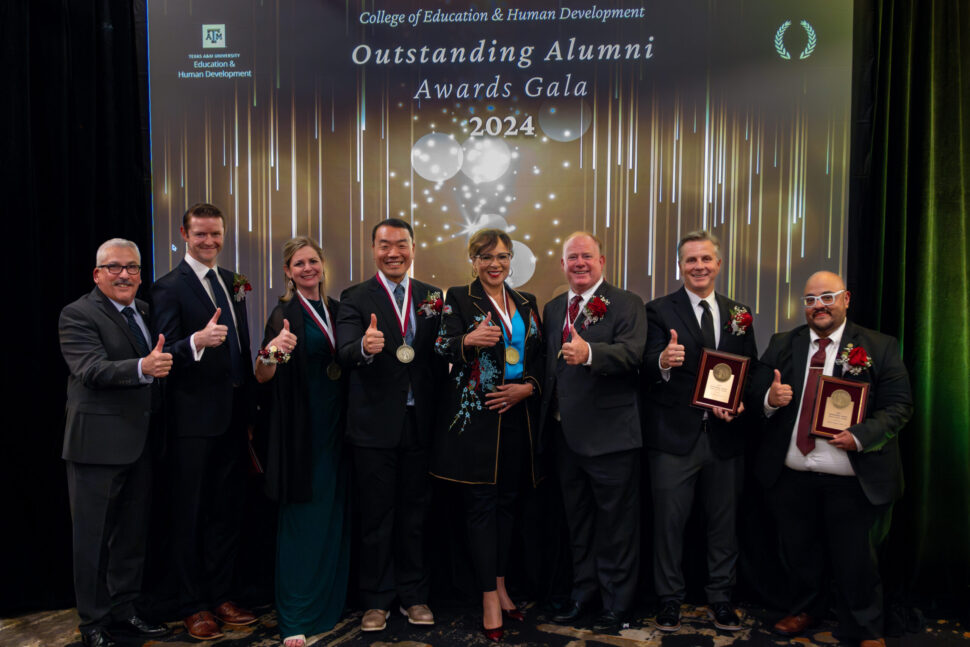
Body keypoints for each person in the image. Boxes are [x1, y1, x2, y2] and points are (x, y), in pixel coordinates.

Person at [754, 271, 912, 647]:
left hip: (852, 476)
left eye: (827, 297)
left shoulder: (879, 345)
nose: (818, 306)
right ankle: (805, 610)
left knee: (857, 560)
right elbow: (756, 387)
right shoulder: (782, 342)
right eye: (810, 300)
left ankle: (865, 627)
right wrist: (768, 399)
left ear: (846, 299)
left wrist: (859, 436)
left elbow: (900, 406)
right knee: (799, 552)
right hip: (793, 473)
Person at [58, 239, 173, 647]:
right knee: (92, 541)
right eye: (114, 268)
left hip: (140, 444)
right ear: (97, 274)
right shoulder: (77, 313)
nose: (124, 275)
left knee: (130, 538)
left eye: (133, 268)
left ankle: (125, 611)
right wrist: (142, 367)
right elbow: (90, 369)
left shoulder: (143, 311)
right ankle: (92, 624)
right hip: (96, 447)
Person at [641, 230, 757, 632]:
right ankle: (669, 600)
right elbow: (644, 368)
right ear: (680, 267)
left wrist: (741, 401)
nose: (699, 266)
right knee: (669, 526)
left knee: (724, 526)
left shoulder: (740, 313)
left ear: (719, 265)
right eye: (691, 260)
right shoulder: (658, 310)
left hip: (725, 438)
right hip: (673, 439)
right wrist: (663, 360)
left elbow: (749, 369)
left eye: (706, 259)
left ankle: (721, 598)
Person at [151, 203, 257, 640]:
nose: (209, 242)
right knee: (190, 514)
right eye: (201, 235)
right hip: (191, 422)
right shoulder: (167, 287)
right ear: (184, 234)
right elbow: (163, 352)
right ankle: (191, 604)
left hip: (233, 418)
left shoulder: (232, 281)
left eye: (216, 234)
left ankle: (220, 595)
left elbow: (241, 346)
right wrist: (194, 341)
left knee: (225, 512)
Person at [431, 229, 543, 641]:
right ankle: (487, 597)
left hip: (518, 417)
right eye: (485, 257)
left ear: (511, 259)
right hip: (478, 421)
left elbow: (540, 357)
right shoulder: (459, 298)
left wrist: (529, 386)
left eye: (501, 256)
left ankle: (501, 583)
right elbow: (440, 346)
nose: (494, 264)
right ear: (473, 261)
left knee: (508, 505)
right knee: (481, 509)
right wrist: (468, 340)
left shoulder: (528, 303)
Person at [335, 218, 445, 632]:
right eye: (385, 245)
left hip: (421, 423)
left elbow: (440, 351)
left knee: (416, 515)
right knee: (376, 517)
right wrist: (364, 347)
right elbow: (344, 352)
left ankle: (415, 596)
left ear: (414, 249)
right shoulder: (356, 296)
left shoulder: (433, 296)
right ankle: (377, 600)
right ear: (374, 250)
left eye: (401, 244)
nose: (393, 252)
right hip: (373, 428)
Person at [540, 231, 646, 632]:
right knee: (578, 524)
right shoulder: (553, 308)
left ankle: (617, 604)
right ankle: (582, 596)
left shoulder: (627, 303)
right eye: (572, 257)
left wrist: (591, 354)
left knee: (617, 528)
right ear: (562, 265)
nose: (580, 263)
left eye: (587, 256)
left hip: (612, 438)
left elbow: (634, 354)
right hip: (565, 439)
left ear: (602, 261)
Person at [255, 237, 350, 647]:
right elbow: (262, 374)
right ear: (288, 272)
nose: (308, 268)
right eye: (299, 263)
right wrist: (274, 352)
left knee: (335, 515)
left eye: (313, 261)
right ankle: (295, 612)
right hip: (302, 431)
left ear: (323, 265)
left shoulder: (341, 310)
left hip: (340, 426)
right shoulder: (284, 314)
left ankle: (328, 605)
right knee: (302, 520)